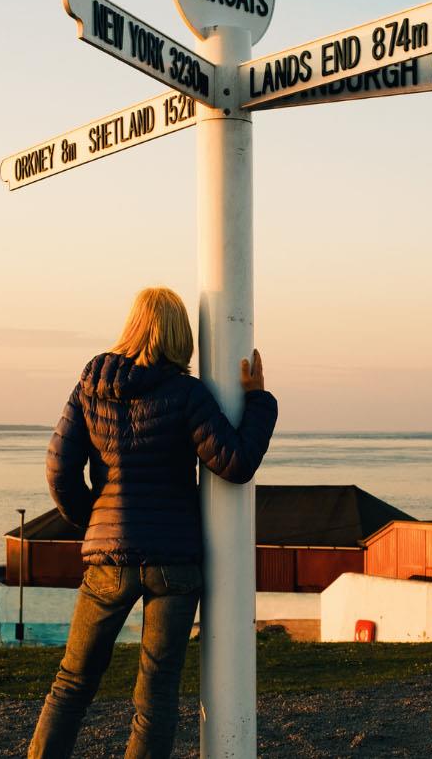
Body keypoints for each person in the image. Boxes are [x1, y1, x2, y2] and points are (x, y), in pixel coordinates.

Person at [27, 286, 278, 759]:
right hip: (173, 563)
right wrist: (259, 401)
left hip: (108, 560)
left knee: (72, 682)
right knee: (156, 697)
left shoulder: (90, 385)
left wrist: (96, 523)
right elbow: (236, 462)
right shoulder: (186, 395)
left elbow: (59, 470)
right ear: (180, 335)